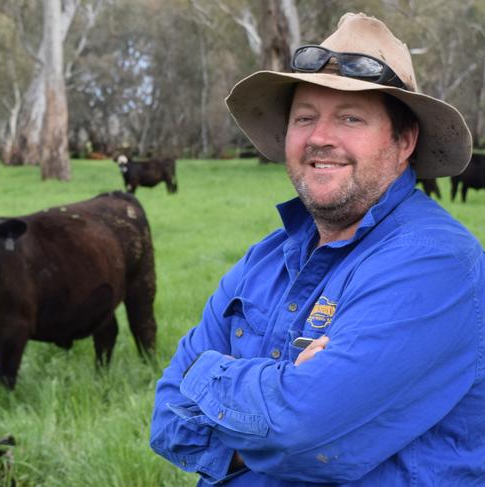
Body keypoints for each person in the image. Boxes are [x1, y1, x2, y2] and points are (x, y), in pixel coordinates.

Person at [150, 12, 484, 486]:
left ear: (404, 141)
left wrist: (207, 376)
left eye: (351, 118)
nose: (321, 137)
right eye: (305, 117)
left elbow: (300, 428)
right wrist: (281, 395)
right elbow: (166, 419)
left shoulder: (435, 263)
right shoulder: (263, 260)